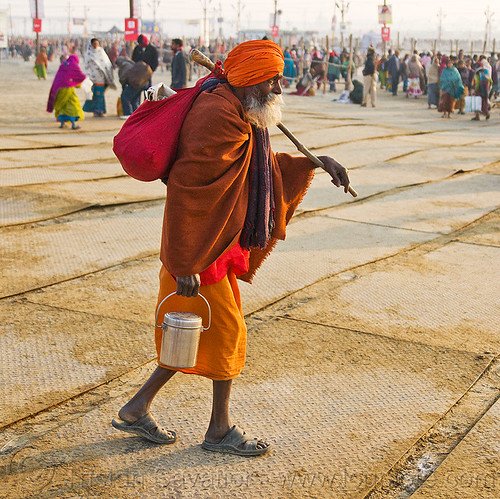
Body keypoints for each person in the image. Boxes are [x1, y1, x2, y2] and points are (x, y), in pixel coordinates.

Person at [111, 39, 351, 457]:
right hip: (198, 252)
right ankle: (218, 431)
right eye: (273, 80)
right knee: (225, 332)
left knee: (188, 333)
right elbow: (190, 191)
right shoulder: (217, 114)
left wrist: (316, 160)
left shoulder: (239, 109)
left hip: (211, 245)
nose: (278, 88)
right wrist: (185, 260)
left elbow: (255, 165)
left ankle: (136, 409)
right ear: (252, 81)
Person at [46, 54, 86, 130]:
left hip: (58, 89)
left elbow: (59, 77)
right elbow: (80, 77)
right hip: (68, 89)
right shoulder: (73, 65)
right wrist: (79, 85)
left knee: (61, 106)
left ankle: (62, 123)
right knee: (72, 105)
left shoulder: (63, 65)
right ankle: (73, 124)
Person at [83, 38, 115, 117]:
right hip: (93, 77)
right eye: (94, 44)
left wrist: (109, 76)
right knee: (95, 94)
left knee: (100, 94)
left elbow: (107, 64)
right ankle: (95, 111)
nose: (96, 45)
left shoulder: (101, 52)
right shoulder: (89, 53)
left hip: (102, 77)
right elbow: (87, 66)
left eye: (97, 44)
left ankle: (100, 110)